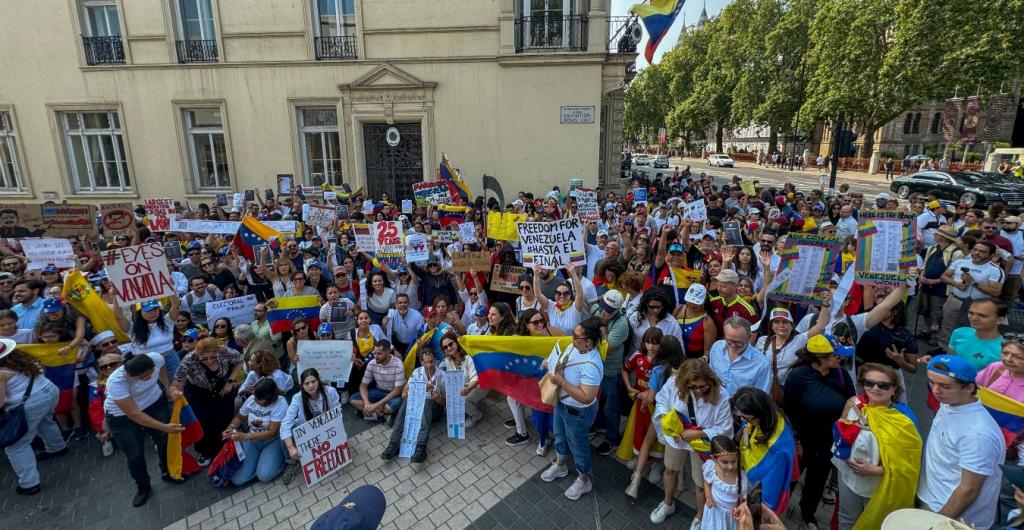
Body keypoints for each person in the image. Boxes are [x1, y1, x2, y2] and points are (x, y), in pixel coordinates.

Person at [918, 355, 1005, 529]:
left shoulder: (978, 434)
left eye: (945, 386)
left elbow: (969, 489)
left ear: (969, 388)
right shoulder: (950, 402)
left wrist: (937, 522)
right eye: (931, 382)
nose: (935, 390)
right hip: (931, 498)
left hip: (951, 516)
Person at [833, 363, 922, 530]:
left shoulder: (903, 420)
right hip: (848, 476)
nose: (875, 388)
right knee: (846, 519)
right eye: (869, 383)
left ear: (894, 389)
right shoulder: (854, 403)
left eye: (883, 385)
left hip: (879, 484)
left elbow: (910, 464)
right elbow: (840, 429)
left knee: (874, 523)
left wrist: (878, 470)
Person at [782, 335, 856, 528]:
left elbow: (852, 400)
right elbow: (789, 411)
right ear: (819, 358)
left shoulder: (841, 375)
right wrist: (796, 440)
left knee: (817, 481)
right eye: (835, 355)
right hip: (802, 440)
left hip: (828, 442)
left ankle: (808, 513)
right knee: (790, 478)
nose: (839, 359)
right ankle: (777, 511)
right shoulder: (798, 376)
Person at [650, 359, 733, 527]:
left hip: (702, 442)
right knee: (670, 470)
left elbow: (725, 426)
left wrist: (699, 433)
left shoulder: (722, 395)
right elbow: (662, 400)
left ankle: (700, 516)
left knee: (702, 483)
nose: (698, 391)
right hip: (677, 438)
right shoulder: (674, 383)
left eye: (703, 387)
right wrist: (668, 423)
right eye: (693, 387)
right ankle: (667, 503)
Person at [104, 351, 186, 507]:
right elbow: (134, 414)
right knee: (134, 453)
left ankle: (168, 471)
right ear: (130, 375)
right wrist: (164, 427)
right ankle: (143, 486)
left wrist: (167, 387)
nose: (148, 378)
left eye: (150, 374)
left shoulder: (156, 358)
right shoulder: (116, 382)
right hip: (123, 417)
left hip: (154, 403)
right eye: (143, 378)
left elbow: (161, 368)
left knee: (164, 441)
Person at [540, 318, 603, 500]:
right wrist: (550, 363)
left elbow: (586, 397)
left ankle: (584, 479)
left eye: (575, 336)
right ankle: (560, 465)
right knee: (560, 435)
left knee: (579, 445)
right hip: (561, 405)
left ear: (588, 342)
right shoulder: (573, 347)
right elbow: (562, 363)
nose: (571, 337)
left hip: (578, 413)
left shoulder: (592, 365)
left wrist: (561, 383)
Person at [0, 339, 68, 495]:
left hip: (31, 403)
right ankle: (57, 447)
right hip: (49, 391)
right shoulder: (21, 358)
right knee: (45, 421)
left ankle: (29, 484)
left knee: (16, 446)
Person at [169, 337, 243, 465]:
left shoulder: (225, 351)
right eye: (204, 358)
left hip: (222, 388)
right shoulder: (189, 359)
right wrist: (174, 392)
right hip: (199, 392)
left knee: (225, 417)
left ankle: (227, 446)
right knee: (204, 422)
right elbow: (176, 383)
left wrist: (231, 380)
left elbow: (239, 361)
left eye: (213, 357)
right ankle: (205, 452)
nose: (209, 361)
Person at [977, 339, 1024, 525]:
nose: (1008, 359)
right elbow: (974, 387)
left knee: (1007, 493)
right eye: (1005, 353)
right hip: (984, 438)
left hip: (1014, 449)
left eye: (1018, 357)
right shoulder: (996, 369)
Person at [731, 387, 797, 514]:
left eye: (747, 418)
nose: (744, 421)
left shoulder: (777, 448)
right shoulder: (769, 416)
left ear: (760, 413)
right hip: (749, 482)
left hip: (759, 492)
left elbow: (770, 490)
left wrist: (757, 512)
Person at [754, 305, 831, 404]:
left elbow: (820, 326)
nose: (781, 325)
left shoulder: (799, 340)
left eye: (785, 322)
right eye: (776, 322)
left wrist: (825, 305)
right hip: (763, 389)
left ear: (791, 326)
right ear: (771, 326)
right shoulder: (762, 340)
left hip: (787, 391)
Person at [938, 240, 1004, 350]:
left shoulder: (995, 270)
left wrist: (974, 283)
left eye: (982, 252)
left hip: (978, 305)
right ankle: (943, 349)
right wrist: (955, 283)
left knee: (972, 329)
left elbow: (995, 291)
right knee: (947, 326)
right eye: (975, 250)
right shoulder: (960, 262)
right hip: (955, 300)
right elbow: (944, 276)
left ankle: (966, 351)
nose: (977, 253)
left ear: (991, 255)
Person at [381, 347, 442, 464]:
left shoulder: (441, 375)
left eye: (431, 361)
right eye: (426, 362)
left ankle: (421, 447)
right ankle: (393, 443)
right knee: (406, 402)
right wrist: (422, 387)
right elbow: (404, 394)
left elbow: (444, 403)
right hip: (417, 409)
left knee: (427, 403)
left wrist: (436, 396)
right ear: (421, 362)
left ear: (435, 360)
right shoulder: (417, 373)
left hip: (433, 410)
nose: (429, 365)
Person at [280, 368, 340, 484]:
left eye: (313, 381)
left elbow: (338, 413)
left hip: (326, 430)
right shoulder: (297, 398)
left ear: (318, 380)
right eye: (306, 383)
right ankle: (292, 462)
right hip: (307, 432)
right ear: (302, 385)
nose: (310, 386)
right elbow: (286, 423)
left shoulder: (330, 391)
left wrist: (340, 432)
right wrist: (290, 447)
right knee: (286, 435)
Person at [223, 378, 288, 486]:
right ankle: (259, 465)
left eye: (259, 400)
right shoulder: (253, 398)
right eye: (255, 397)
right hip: (253, 441)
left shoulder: (280, 403)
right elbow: (239, 417)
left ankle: (280, 461)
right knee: (238, 480)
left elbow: (271, 432)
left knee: (264, 475)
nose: (255, 400)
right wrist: (231, 427)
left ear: (270, 398)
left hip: (272, 440)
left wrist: (246, 436)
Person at [593, 290, 628, 455]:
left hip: (610, 371)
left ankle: (613, 439)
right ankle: (600, 426)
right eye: (603, 307)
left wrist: (603, 330)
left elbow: (605, 349)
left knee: (611, 408)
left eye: (609, 310)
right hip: (596, 368)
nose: (603, 313)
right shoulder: (598, 311)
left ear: (618, 310)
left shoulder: (622, 324)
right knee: (597, 401)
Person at [116, 298, 182, 383]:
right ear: (140, 312)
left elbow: (176, 305)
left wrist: (169, 287)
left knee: (177, 387)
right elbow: (118, 317)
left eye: (155, 309)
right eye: (147, 310)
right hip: (147, 365)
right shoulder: (133, 329)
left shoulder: (167, 321)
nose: (152, 313)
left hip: (171, 360)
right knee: (157, 391)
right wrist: (115, 296)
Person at [708, 316, 772, 396]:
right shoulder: (716, 347)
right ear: (725, 335)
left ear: (749, 337)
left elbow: (761, 397)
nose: (733, 345)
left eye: (738, 342)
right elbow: (711, 375)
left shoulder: (762, 365)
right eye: (729, 341)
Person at [349, 340, 405, 424]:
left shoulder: (398, 365)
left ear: (388, 352)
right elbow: (363, 385)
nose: (375, 356)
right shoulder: (372, 363)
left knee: (388, 408)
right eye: (374, 353)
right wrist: (367, 403)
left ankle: (369, 412)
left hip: (394, 393)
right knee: (353, 399)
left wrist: (375, 405)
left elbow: (398, 390)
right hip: (379, 390)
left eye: (379, 354)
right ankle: (380, 415)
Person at [438, 332, 487, 428]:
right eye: (445, 347)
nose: (448, 348)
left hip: (479, 386)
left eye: (450, 344)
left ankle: (476, 415)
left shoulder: (468, 357)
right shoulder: (448, 360)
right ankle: (469, 405)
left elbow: (476, 378)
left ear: (456, 342)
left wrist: (468, 389)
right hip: (464, 387)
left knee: (462, 400)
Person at [945, 298, 1005, 373]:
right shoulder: (959, 332)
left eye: (982, 315)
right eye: (971, 313)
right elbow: (950, 361)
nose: (973, 318)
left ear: (999, 320)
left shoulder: (1005, 349)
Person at [701, 436, 748, 530]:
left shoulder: (742, 479)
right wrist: (708, 497)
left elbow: (745, 499)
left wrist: (741, 508)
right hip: (714, 512)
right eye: (725, 462)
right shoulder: (711, 468)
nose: (730, 466)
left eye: (734, 461)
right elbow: (707, 482)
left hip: (731, 516)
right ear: (714, 459)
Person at [534, 265, 587, 335]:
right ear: (555, 295)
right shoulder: (552, 306)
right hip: (555, 344)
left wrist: (573, 274)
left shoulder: (575, 308)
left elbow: (580, 295)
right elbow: (538, 295)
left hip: (572, 344)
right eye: (558, 293)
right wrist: (535, 276)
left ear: (570, 295)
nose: (562, 296)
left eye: (565, 293)